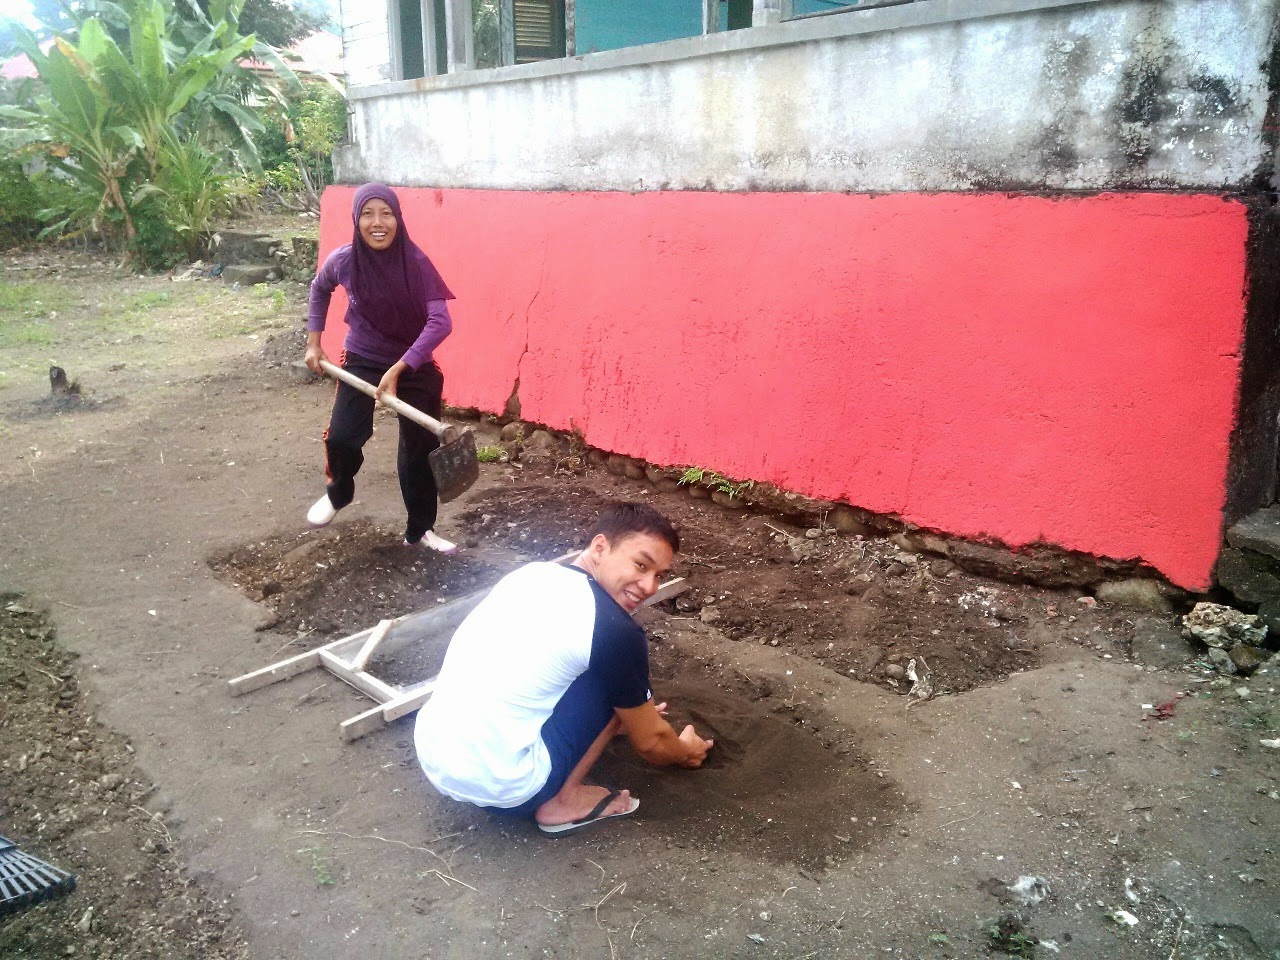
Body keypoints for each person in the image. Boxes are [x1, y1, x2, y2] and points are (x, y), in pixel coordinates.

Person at [414, 502, 715, 836]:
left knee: (597, 669)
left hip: (436, 756)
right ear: (600, 547)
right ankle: (563, 802)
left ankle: (603, 725)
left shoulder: (531, 575)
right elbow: (652, 745)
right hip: (506, 788)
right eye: (640, 565)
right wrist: (684, 750)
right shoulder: (613, 629)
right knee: (616, 678)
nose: (649, 587)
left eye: (659, 575)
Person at [303, 182, 458, 553]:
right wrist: (314, 341)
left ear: (397, 218)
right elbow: (319, 288)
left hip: (413, 363)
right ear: (356, 220)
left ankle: (420, 529)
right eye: (368, 214)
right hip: (363, 358)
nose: (378, 222)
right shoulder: (343, 261)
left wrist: (401, 368)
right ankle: (339, 493)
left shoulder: (417, 264)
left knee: (419, 448)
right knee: (342, 436)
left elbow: (440, 322)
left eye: (386, 213)